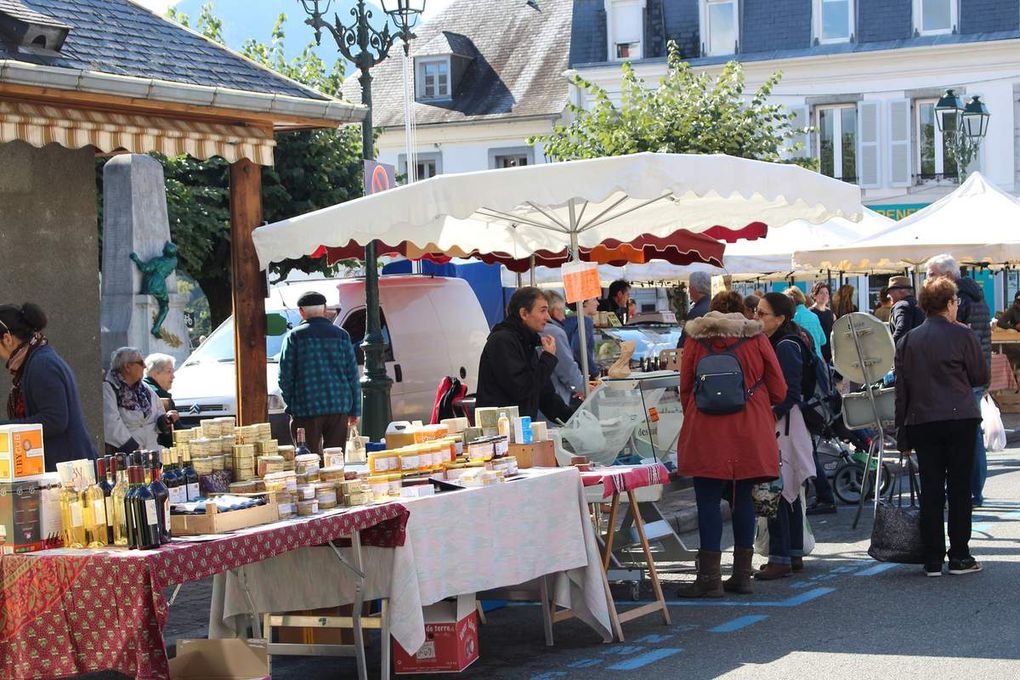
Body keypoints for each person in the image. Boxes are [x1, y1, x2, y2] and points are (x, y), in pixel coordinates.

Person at [676, 310, 786, 597]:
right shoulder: (757, 338)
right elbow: (779, 390)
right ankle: (742, 576)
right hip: (749, 429)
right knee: (743, 499)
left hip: (706, 431)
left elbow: (685, 389)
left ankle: (710, 579)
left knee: (708, 501)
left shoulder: (696, 341)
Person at [895, 276, 988, 576]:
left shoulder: (908, 340)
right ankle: (960, 555)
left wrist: (901, 431)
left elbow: (901, 390)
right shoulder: (963, 334)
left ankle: (933, 558)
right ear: (949, 304)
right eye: (955, 301)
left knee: (931, 488)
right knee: (960, 488)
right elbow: (978, 375)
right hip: (960, 416)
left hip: (922, 419)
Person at [755, 293, 817, 580]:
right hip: (787, 423)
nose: (756, 318)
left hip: (785, 425)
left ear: (780, 318)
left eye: (762, 314)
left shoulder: (785, 346)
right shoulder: (788, 340)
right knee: (787, 489)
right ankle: (792, 554)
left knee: (777, 489)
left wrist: (767, 415)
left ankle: (781, 558)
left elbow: (789, 393)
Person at [926, 254, 992, 507]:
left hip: (960, 376)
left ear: (948, 276)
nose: (928, 279)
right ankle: (975, 490)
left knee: (966, 435)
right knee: (972, 432)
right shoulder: (977, 297)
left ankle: (971, 491)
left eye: (932, 274)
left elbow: (952, 339)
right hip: (974, 373)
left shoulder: (958, 300)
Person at [0, 304, 96, 468]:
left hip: (67, 473)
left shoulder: (41, 364)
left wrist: (4, 428)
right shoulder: (37, 360)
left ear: (8, 339)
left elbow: (54, 420)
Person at [277, 291, 361, 454]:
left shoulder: (294, 337)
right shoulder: (342, 336)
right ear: (324, 309)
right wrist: (354, 410)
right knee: (335, 461)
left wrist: (292, 405)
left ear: (301, 311)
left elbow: (284, 377)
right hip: (338, 407)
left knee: (308, 462)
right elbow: (353, 376)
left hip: (306, 408)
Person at [476, 287, 575, 422]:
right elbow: (521, 388)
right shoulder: (502, 341)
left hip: (520, 430)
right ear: (524, 313)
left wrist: (575, 420)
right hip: (499, 434)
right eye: (542, 310)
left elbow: (545, 395)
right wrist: (548, 358)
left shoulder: (527, 342)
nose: (548, 317)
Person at [103, 347, 171, 453]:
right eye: (140, 362)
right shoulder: (109, 388)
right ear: (127, 367)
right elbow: (112, 427)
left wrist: (164, 421)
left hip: (154, 450)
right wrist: (135, 450)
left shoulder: (144, 388)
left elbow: (158, 414)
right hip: (128, 456)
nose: (144, 366)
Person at [541, 291, 586, 409]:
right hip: (555, 398)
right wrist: (582, 387)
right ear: (555, 311)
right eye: (563, 310)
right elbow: (566, 367)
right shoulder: (554, 332)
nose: (564, 316)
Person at [143, 353, 178, 448]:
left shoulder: (143, 388)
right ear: (155, 373)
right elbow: (177, 431)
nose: (173, 376)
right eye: (169, 371)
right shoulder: (157, 393)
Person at [785, 287, 826, 360]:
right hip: (817, 360)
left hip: (804, 361)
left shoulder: (793, 318)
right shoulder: (814, 316)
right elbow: (823, 340)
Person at [564, 298, 598, 379]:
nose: (597, 303)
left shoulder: (566, 320)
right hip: (581, 375)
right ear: (584, 303)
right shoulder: (585, 321)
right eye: (594, 300)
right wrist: (595, 372)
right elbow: (578, 348)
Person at [888, 276, 925, 345]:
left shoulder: (901, 306)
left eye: (891, 292)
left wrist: (889, 348)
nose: (888, 296)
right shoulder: (918, 304)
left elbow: (902, 329)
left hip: (906, 353)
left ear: (902, 291)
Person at [809, 282, 835, 364]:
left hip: (829, 350)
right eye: (821, 293)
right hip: (817, 350)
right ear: (814, 295)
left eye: (826, 293)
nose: (825, 295)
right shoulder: (810, 312)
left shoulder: (830, 313)